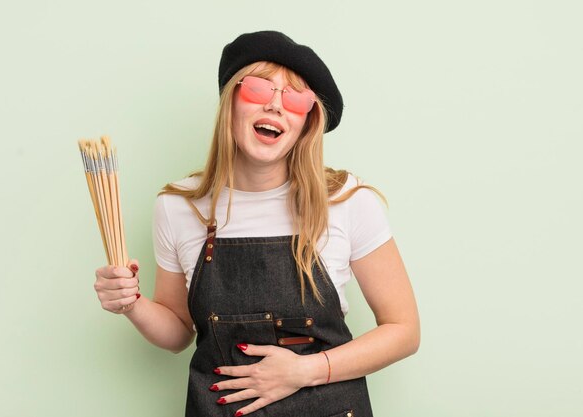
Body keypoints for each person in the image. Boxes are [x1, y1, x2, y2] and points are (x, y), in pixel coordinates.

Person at [94, 30, 420, 417]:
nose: (277, 106)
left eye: (295, 97)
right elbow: (178, 332)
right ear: (230, 100)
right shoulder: (179, 206)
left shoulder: (347, 200)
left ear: (307, 121)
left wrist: (304, 371)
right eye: (260, 90)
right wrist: (130, 303)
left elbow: (404, 330)